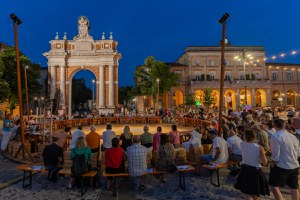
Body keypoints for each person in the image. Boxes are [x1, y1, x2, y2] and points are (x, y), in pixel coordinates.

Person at [269, 119, 300, 200]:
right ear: (284, 126)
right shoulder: (292, 136)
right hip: (294, 164)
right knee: (294, 187)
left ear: (274, 126)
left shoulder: (275, 136)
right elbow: (298, 151)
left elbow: (275, 154)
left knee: (274, 186)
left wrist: (272, 164)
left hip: (283, 166)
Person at [234, 130, 269, 199]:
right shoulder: (259, 147)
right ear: (255, 137)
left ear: (245, 136)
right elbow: (265, 161)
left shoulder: (242, 144)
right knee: (256, 192)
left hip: (245, 169)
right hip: (256, 170)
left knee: (248, 192)